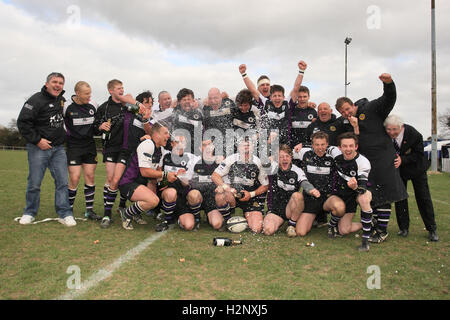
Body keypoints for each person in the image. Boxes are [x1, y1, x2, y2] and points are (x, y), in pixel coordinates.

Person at [335, 73, 408, 244]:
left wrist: (389, 83)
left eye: (347, 109)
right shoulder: (346, 121)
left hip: (382, 159)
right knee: (371, 195)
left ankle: (382, 231)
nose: (346, 113)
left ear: (353, 104)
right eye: (342, 112)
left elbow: (389, 99)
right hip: (366, 164)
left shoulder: (371, 108)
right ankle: (374, 226)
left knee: (383, 196)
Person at [17, 72, 76, 226]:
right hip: (38, 148)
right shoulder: (35, 99)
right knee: (35, 182)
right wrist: (37, 140)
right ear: (47, 84)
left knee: (63, 182)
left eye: (61, 83)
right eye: (54, 82)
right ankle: (29, 212)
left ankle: (64, 213)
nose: (58, 85)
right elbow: (23, 123)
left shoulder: (62, 100)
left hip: (58, 149)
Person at [384, 115, 439, 241]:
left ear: (401, 126)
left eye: (394, 129)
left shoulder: (414, 134)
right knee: (400, 198)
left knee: (423, 197)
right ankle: (403, 228)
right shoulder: (385, 134)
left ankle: (432, 229)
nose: (391, 132)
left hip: (416, 169)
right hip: (399, 170)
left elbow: (419, 155)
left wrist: (403, 159)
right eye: (389, 129)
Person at [292, 132, 345, 237]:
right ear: (312, 145)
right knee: (300, 232)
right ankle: (317, 218)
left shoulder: (333, 155)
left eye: (322, 144)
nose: (320, 148)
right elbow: (287, 154)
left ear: (327, 145)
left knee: (339, 207)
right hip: (311, 198)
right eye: (317, 145)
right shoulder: (304, 153)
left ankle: (332, 225)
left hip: (327, 198)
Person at [117, 122, 169, 230]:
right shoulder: (148, 144)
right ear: (156, 134)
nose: (168, 136)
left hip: (141, 183)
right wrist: (166, 175)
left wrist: (167, 182)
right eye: (165, 133)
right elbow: (145, 172)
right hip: (128, 183)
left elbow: (157, 172)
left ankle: (136, 213)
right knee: (153, 200)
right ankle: (126, 214)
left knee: (155, 194)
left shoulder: (161, 150)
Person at [212, 137, 269, 234]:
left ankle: (247, 215)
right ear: (238, 147)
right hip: (232, 194)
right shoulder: (230, 159)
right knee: (220, 194)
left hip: (249, 196)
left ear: (253, 147)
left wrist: (251, 194)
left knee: (256, 229)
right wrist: (226, 187)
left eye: (249, 144)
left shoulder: (258, 162)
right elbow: (215, 176)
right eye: (243, 145)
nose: (246, 147)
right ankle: (228, 218)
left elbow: (265, 185)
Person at [329, 132, 374, 252]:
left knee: (364, 198)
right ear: (339, 147)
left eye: (351, 146)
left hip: (358, 192)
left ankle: (365, 241)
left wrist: (355, 187)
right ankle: (371, 223)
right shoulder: (334, 152)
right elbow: (320, 147)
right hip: (342, 195)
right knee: (344, 230)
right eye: (344, 146)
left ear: (356, 147)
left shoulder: (362, 162)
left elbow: (363, 188)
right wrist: (302, 145)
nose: (348, 149)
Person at [63, 81, 101, 221]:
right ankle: (68, 211)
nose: (89, 96)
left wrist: (101, 126)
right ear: (77, 93)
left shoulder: (94, 105)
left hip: (90, 145)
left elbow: (97, 125)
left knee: (90, 177)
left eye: (90, 93)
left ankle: (89, 211)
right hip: (73, 146)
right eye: (86, 94)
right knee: (74, 177)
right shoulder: (66, 106)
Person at [115, 91, 153, 223]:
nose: (149, 105)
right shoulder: (130, 110)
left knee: (138, 183)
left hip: (138, 156)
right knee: (120, 180)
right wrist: (137, 104)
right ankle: (120, 207)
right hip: (125, 152)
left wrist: (145, 119)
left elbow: (150, 133)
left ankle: (135, 212)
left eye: (151, 103)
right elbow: (125, 96)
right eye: (147, 102)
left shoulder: (149, 117)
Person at [93, 79, 126, 228]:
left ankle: (122, 206)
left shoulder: (128, 106)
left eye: (122, 88)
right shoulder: (104, 108)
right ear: (111, 91)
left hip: (126, 148)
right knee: (111, 178)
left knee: (122, 179)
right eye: (119, 88)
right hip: (111, 148)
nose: (122, 90)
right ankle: (107, 213)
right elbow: (94, 126)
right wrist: (100, 126)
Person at [264, 145, 311, 237]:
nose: (284, 159)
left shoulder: (297, 170)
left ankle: (291, 224)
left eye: (287, 156)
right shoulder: (273, 168)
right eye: (281, 157)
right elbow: (262, 166)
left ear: (291, 157)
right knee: (268, 231)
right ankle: (278, 221)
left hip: (291, 208)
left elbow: (304, 182)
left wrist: (311, 189)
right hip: (275, 209)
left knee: (298, 195)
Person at [154, 136, 199, 232]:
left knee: (189, 226)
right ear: (172, 143)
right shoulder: (165, 155)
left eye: (183, 142)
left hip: (183, 197)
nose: (180, 144)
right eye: (177, 141)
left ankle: (179, 218)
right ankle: (167, 221)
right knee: (171, 192)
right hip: (167, 194)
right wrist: (168, 179)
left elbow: (187, 185)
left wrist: (182, 177)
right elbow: (158, 181)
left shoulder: (191, 158)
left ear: (186, 145)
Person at [189, 140, 229, 231]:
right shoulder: (194, 162)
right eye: (204, 145)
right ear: (200, 148)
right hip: (198, 197)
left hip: (212, 199)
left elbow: (227, 182)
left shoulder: (220, 161)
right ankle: (197, 219)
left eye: (209, 144)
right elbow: (187, 182)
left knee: (217, 224)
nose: (207, 147)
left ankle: (212, 215)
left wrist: (221, 186)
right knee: (193, 194)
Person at [202, 88, 235, 157]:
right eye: (210, 98)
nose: (213, 101)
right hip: (213, 148)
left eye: (215, 98)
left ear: (220, 97)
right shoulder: (206, 108)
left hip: (229, 147)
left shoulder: (229, 103)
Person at [172, 88, 203, 155]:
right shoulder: (175, 112)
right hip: (180, 151)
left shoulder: (199, 112)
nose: (187, 102)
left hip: (196, 151)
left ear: (193, 100)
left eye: (189, 99)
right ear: (179, 102)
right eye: (184, 100)